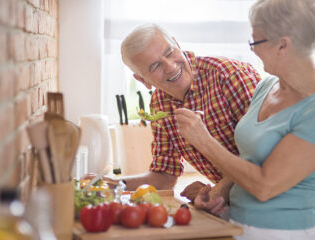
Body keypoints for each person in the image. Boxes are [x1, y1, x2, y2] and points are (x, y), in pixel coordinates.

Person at [175, 0, 315, 239]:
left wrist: (204, 141)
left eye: (255, 41)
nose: (252, 49)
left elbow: (264, 186)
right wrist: (219, 192)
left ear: (283, 45)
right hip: (237, 225)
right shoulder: (266, 86)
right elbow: (251, 159)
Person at [92, 23, 260, 211]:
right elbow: (164, 177)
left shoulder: (228, 76)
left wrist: (218, 190)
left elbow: (262, 152)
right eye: (155, 65)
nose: (170, 67)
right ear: (142, 80)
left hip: (272, 196)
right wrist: (110, 184)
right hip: (238, 202)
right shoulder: (159, 104)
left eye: (169, 52)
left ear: (177, 44)